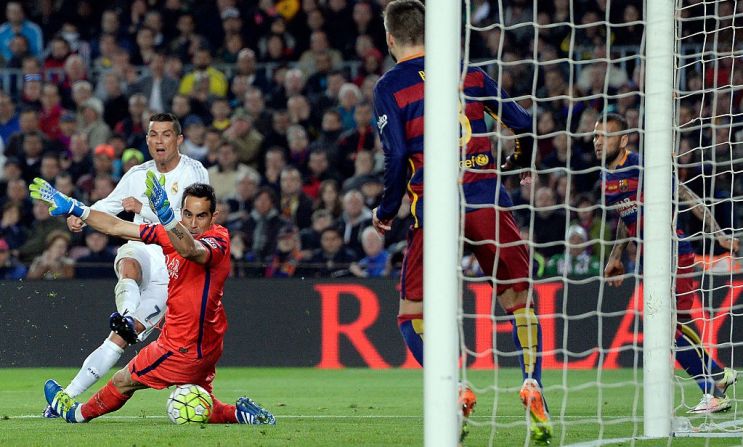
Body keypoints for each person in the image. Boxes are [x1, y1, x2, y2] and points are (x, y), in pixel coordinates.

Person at [370, 0, 551, 442]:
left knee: (411, 315)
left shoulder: (390, 85)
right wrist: (520, 160)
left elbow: (395, 155)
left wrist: (387, 208)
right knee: (518, 299)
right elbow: (524, 122)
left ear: (391, 38)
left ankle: (456, 388)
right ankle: (532, 382)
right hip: (488, 201)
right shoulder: (466, 72)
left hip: (436, 209)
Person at [32, 176, 274, 425]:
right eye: (187, 214)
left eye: (201, 216)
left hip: (182, 346)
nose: (192, 223)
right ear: (182, 213)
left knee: (123, 381)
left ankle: (75, 414)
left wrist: (168, 217)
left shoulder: (218, 240)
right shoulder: (170, 233)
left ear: (214, 217)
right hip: (206, 344)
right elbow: (116, 227)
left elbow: (192, 251)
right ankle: (239, 414)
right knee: (199, 399)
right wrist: (75, 207)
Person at [42, 113, 209, 418]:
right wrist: (82, 213)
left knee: (118, 340)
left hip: (174, 265)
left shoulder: (193, 172)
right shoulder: (137, 173)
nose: (159, 141)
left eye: (166, 135)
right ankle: (125, 316)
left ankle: (68, 395)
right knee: (128, 260)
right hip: (145, 247)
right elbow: (110, 204)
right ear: (146, 140)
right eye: (153, 135)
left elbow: (191, 224)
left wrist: (143, 207)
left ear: (179, 140)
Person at [596, 112, 739, 414]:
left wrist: (719, 235)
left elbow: (685, 194)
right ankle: (717, 375)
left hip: (673, 251)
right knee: (674, 325)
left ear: (623, 140)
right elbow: (627, 215)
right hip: (651, 256)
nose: (598, 141)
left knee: (665, 327)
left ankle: (713, 389)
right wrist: (616, 255)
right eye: (596, 136)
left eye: (606, 135)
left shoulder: (640, 166)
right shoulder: (606, 176)